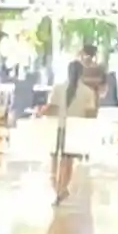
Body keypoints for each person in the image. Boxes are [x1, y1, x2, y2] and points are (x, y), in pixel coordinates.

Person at [44, 59, 98, 205]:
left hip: (58, 127)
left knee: (55, 159)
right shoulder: (88, 92)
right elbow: (90, 114)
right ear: (82, 74)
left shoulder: (58, 88)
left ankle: (58, 188)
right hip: (76, 129)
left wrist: (43, 113)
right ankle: (62, 188)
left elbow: (52, 109)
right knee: (68, 161)